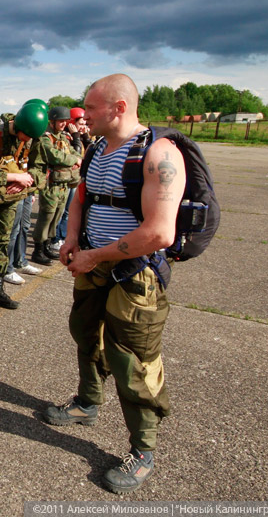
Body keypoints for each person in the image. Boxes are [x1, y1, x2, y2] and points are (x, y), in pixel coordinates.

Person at [43, 74, 185, 494]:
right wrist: (72, 238)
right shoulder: (98, 148)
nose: (83, 115)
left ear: (118, 107)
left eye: (90, 107)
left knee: (133, 362)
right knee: (85, 333)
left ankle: (143, 450)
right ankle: (88, 403)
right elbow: (81, 196)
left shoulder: (159, 154)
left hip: (134, 274)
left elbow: (160, 233)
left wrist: (94, 255)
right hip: (91, 262)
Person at [0, 105, 48, 305]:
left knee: (5, 242)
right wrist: (12, 176)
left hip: (11, 200)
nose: (27, 141)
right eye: (25, 136)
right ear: (17, 126)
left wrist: (25, 179)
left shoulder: (33, 136)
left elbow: (40, 169)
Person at [31, 106, 83, 265]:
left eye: (65, 121)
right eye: (60, 121)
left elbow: (74, 153)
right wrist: (74, 161)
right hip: (51, 185)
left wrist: (75, 159)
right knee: (46, 217)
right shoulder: (45, 138)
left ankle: (47, 244)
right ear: (52, 121)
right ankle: (38, 250)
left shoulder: (63, 137)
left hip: (63, 184)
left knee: (57, 216)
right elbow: (54, 156)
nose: (63, 124)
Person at [50, 107, 93, 253]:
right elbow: (63, 156)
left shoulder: (77, 136)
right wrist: (75, 136)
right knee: (62, 212)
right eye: (79, 123)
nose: (82, 126)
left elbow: (86, 152)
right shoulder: (65, 137)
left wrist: (83, 137)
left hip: (74, 177)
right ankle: (55, 238)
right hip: (64, 179)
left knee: (66, 211)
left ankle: (61, 236)